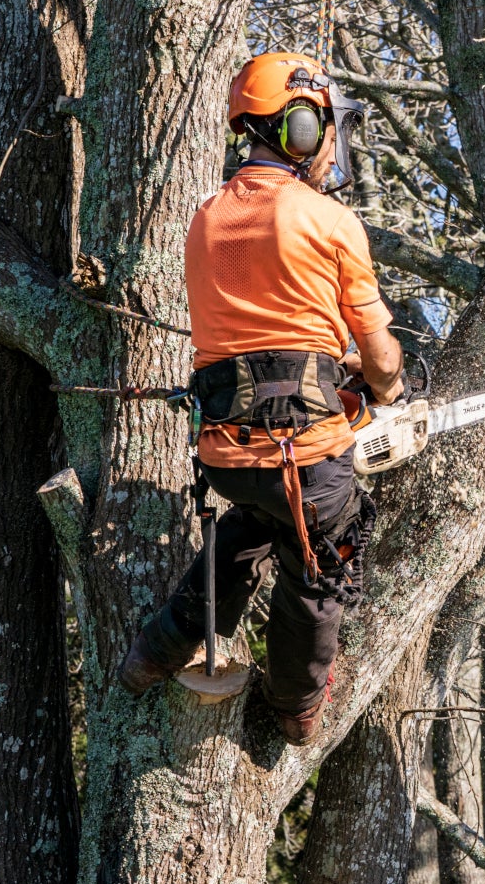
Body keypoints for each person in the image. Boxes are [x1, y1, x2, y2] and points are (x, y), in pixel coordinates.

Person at [118, 51, 403, 744]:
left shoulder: (205, 218)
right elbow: (382, 357)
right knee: (322, 558)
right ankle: (297, 707)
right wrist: (385, 388)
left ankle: (158, 647)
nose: (331, 144)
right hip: (302, 456)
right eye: (325, 127)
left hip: (225, 452)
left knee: (255, 524)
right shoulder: (330, 221)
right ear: (297, 129)